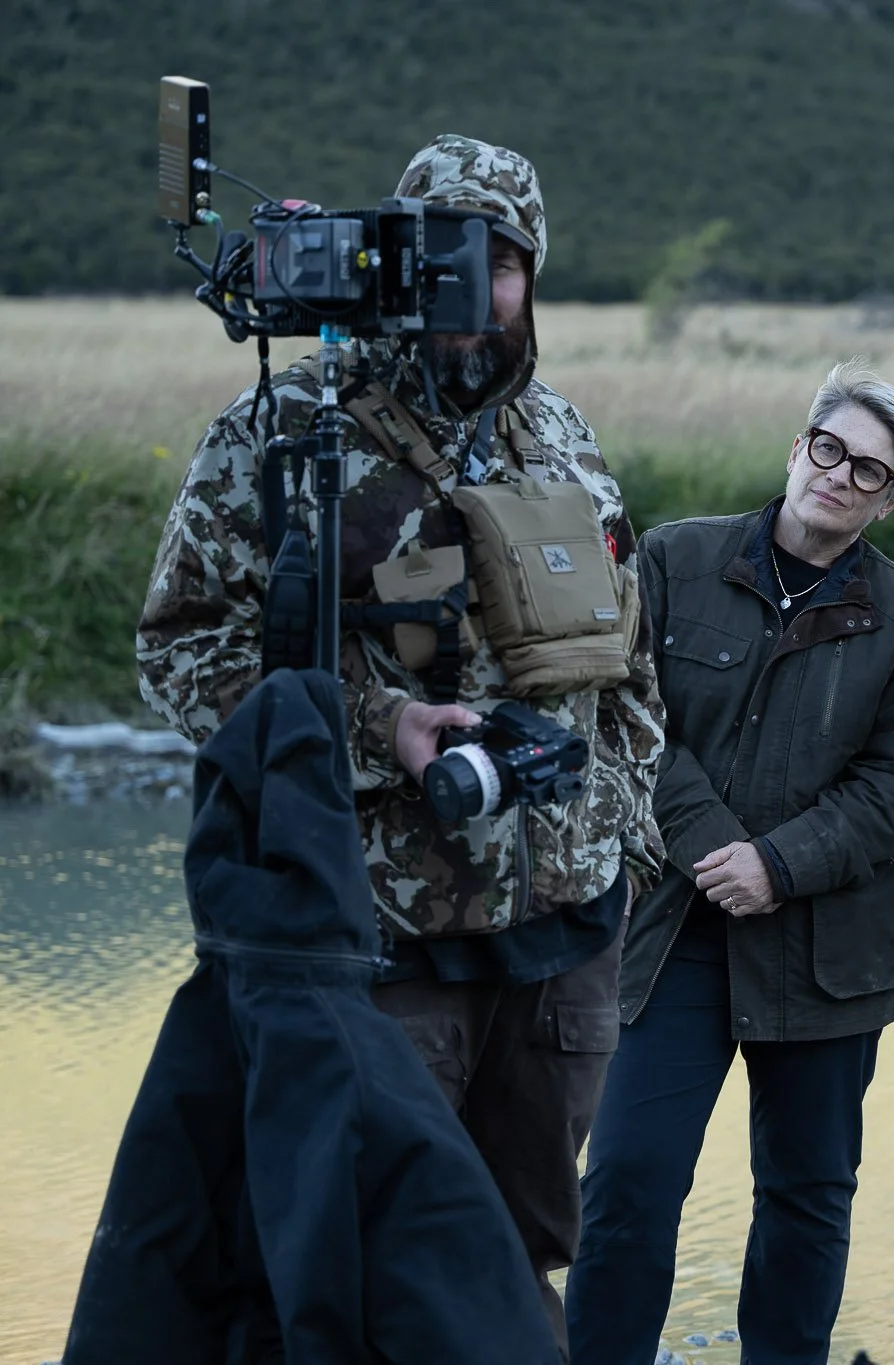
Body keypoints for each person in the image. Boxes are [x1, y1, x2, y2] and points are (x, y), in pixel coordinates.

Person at [136, 135, 665, 1355]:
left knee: (522, 1254)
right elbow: (179, 651)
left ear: (534, 277)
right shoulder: (285, 431)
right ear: (391, 258)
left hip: (565, 946)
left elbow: (633, 666)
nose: (472, 286)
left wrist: (621, 832)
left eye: (504, 262)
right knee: (368, 1256)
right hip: (386, 942)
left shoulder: (566, 438)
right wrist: (380, 731)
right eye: (444, 252)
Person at [567, 363, 894, 1365]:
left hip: (830, 950)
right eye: (828, 449)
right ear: (797, 448)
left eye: (867, 471)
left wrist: (778, 867)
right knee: (626, 1181)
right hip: (677, 933)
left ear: (890, 500)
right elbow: (626, 715)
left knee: (805, 1198)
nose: (838, 476)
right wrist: (716, 852)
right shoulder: (673, 562)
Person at [67, 668, 556, 1364]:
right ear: (341, 865)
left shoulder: (191, 1040)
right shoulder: (375, 1080)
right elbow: (480, 1323)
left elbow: (130, 1294)